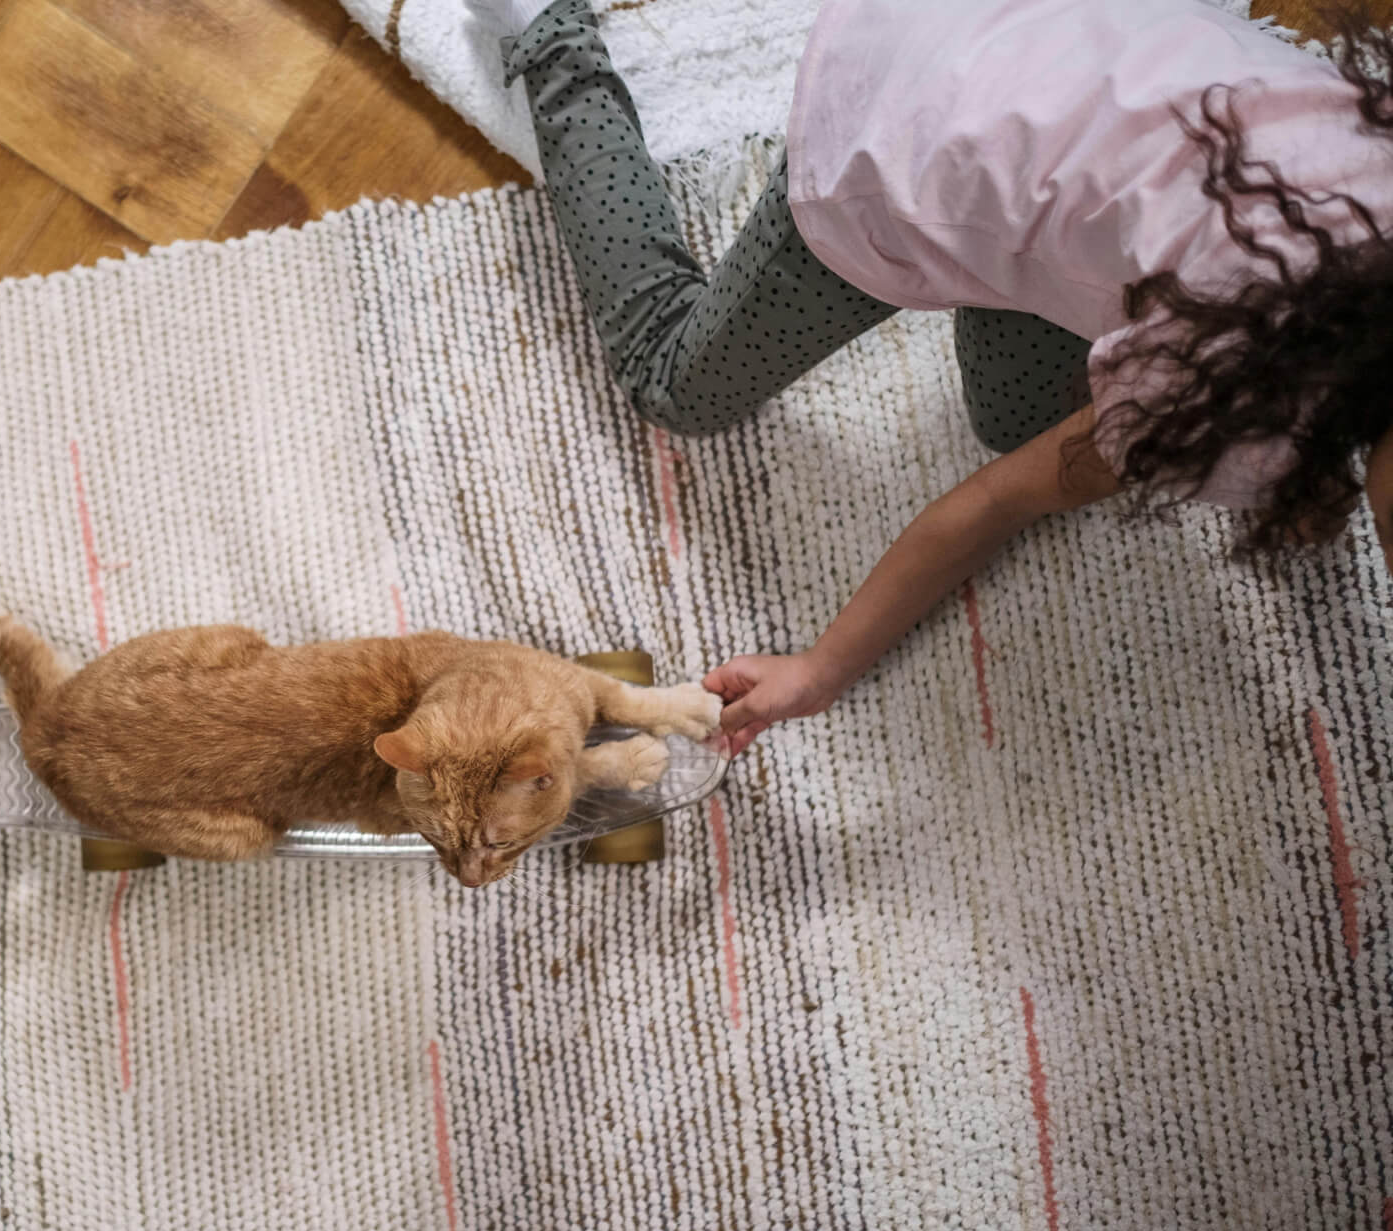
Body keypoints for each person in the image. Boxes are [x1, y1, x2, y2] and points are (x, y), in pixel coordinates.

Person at [473, 0, 1393, 752]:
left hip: (1089, 40)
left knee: (1023, 413)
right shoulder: (1235, 409)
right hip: (901, 98)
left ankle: (1030, 230)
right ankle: (550, 34)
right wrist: (823, 666)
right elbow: (996, 501)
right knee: (677, 382)